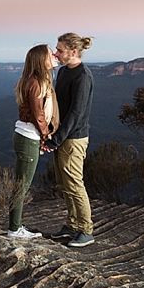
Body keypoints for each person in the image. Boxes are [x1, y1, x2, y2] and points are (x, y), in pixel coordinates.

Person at [47, 33, 96, 248]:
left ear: (73, 52)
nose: (56, 54)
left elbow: (76, 113)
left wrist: (55, 139)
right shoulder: (65, 71)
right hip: (61, 136)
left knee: (75, 184)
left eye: (60, 50)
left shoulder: (82, 76)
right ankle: (72, 224)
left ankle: (86, 230)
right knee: (64, 183)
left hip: (73, 139)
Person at [7, 44, 59, 239]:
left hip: (25, 136)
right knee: (22, 186)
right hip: (29, 137)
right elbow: (38, 115)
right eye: (49, 53)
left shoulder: (31, 80)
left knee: (21, 184)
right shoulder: (37, 83)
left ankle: (15, 226)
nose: (54, 55)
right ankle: (14, 229)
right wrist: (47, 136)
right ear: (41, 59)